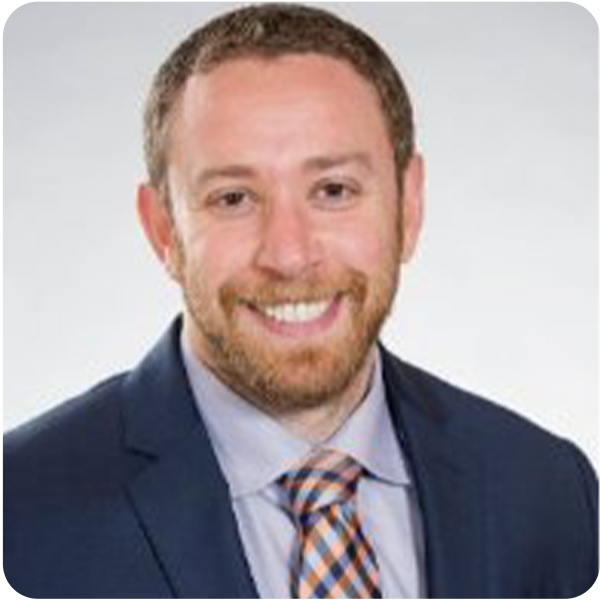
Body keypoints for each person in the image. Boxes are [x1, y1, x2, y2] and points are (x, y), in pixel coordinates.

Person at [2, 3, 598, 599]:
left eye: (333, 190)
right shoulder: (19, 511)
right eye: (233, 198)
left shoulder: (548, 491)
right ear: (163, 229)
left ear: (408, 206)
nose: (289, 255)